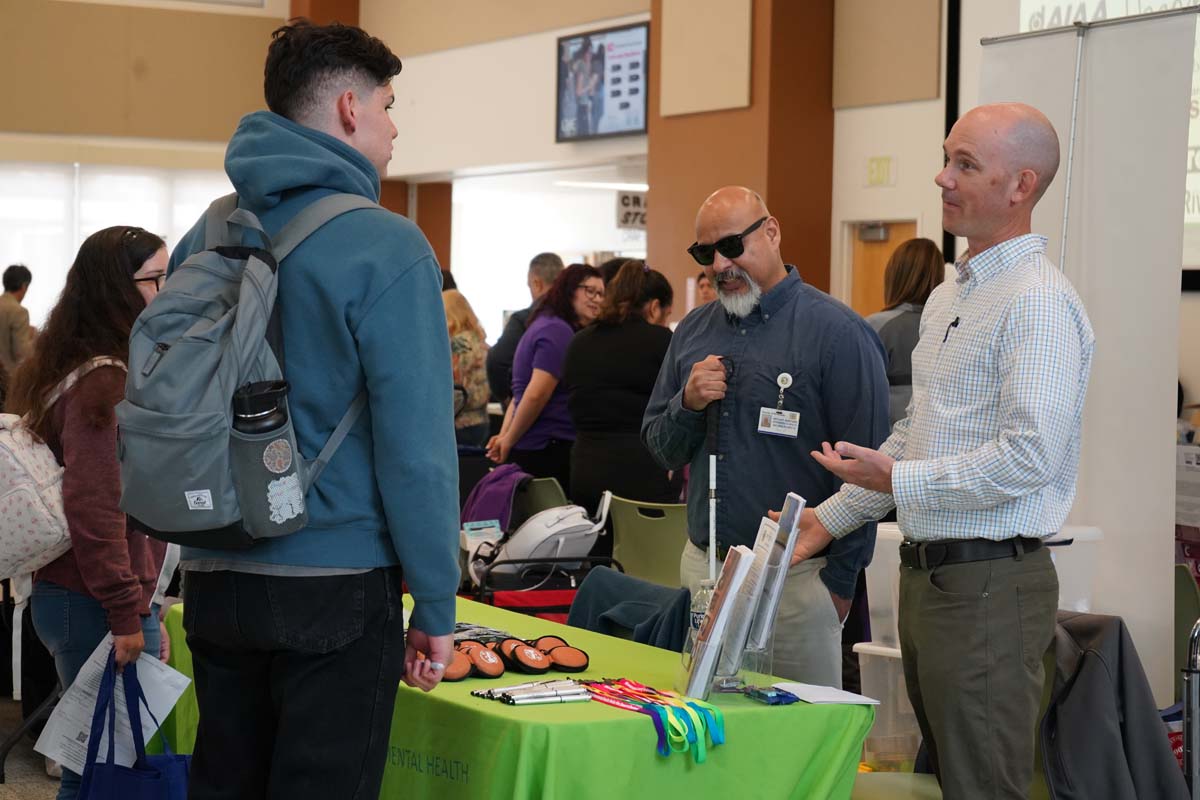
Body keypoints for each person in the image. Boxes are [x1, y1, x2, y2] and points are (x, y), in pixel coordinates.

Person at [166, 20, 459, 799]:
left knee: (226, 782)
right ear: (352, 108)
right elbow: (418, 447)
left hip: (213, 568)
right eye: (392, 106)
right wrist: (435, 599)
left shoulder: (211, 226)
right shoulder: (388, 246)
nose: (395, 129)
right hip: (334, 573)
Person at [793, 103, 1095, 799]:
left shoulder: (1037, 303)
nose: (942, 178)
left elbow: (1029, 457)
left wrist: (899, 475)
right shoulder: (950, 296)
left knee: (981, 785)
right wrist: (828, 518)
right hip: (933, 582)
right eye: (947, 158)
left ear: (1020, 186)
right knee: (945, 782)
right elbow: (918, 435)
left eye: (965, 165)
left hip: (989, 586)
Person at [642, 186, 889, 687]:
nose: (719, 264)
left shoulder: (838, 334)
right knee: (707, 741)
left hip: (796, 582)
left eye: (732, 246)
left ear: (771, 232)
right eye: (704, 253)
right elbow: (660, 448)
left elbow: (871, 473)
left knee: (799, 748)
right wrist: (686, 404)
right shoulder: (691, 333)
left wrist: (839, 584)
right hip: (706, 573)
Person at [7, 226, 169, 800]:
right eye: (155, 279)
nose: (166, 292)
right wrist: (129, 613)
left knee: (96, 764)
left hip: (81, 595)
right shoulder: (105, 379)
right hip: (95, 598)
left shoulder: (77, 366)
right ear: (117, 290)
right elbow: (95, 506)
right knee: (101, 770)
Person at [563, 259, 677, 524]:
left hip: (585, 469)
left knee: (597, 557)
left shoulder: (579, 341)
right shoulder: (662, 342)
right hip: (641, 472)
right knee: (643, 558)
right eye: (666, 314)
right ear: (654, 307)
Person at [486, 264, 604, 491]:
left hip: (534, 443)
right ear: (570, 289)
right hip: (546, 447)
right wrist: (508, 440)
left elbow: (520, 394)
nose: (597, 299)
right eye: (590, 291)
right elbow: (536, 394)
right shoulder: (557, 330)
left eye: (601, 293)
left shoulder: (545, 323)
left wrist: (505, 436)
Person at [865, 238, 944, 428]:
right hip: (931, 437)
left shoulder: (875, 326)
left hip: (886, 439)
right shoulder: (948, 324)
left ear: (894, 275)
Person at [486, 252, 564, 406]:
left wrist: (509, 400)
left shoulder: (524, 320)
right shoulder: (575, 318)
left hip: (531, 412)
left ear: (536, 283)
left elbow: (497, 362)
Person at [443, 288, 490, 447]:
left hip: (460, 422)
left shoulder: (457, 344)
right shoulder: (479, 340)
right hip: (481, 420)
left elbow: (455, 387)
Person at [1, 264, 33, 378]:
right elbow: (21, 351)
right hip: (7, 379)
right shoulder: (19, 312)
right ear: (24, 286)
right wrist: (34, 338)